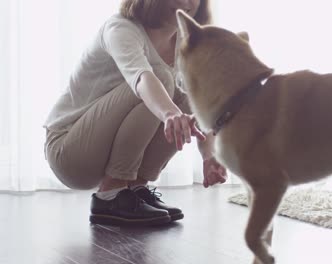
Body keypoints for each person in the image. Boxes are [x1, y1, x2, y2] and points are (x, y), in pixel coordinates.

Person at [43, 0, 227, 226]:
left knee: (188, 96)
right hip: (70, 151)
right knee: (161, 78)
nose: (185, 2)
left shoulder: (186, 41)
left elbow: (201, 105)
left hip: (104, 147)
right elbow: (142, 79)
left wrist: (209, 156)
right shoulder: (120, 28)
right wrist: (170, 114)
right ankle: (111, 193)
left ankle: (135, 189)